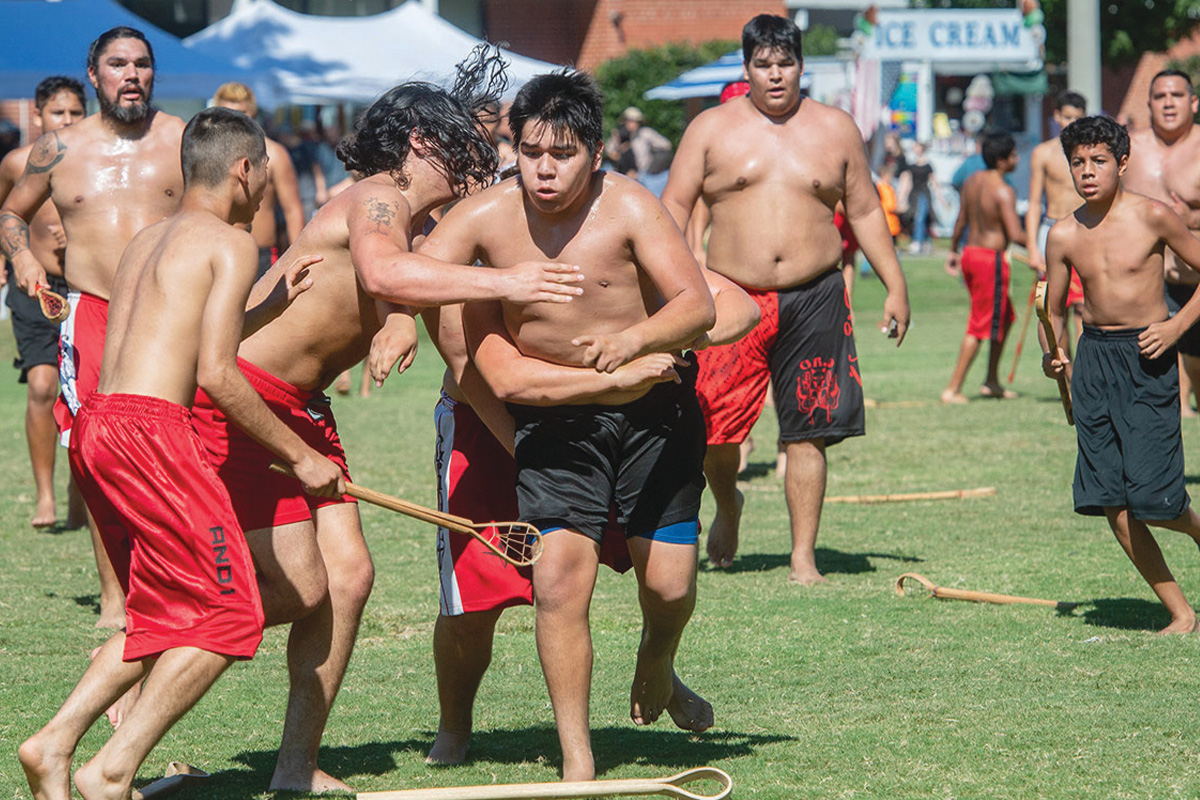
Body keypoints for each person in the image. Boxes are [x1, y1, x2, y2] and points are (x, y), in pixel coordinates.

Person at [188, 47, 585, 793]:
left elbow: (405, 285)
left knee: (348, 579)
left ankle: (295, 767)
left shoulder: (400, 217)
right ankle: (156, 652)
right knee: (280, 591)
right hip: (244, 397)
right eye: (464, 144)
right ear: (420, 143)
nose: (478, 159)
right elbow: (381, 267)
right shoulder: (379, 199)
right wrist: (502, 279)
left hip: (302, 406)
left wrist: (401, 317)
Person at [17, 105, 344, 800]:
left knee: (166, 612)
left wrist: (269, 309)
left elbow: (179, 340)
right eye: (262, 178)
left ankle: (53, 744)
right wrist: (303, 457)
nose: (261, 196)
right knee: (230, 615)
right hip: (153, 436)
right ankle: (110, 770)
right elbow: (217, 375)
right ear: (244, 169)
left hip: (102, 424)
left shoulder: (149, 238)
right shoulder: (231, 243)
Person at [417, 69, 715, 782]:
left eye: (564, 153)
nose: (545, 169)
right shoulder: (489, 216)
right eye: (530, 152)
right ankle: (577, 758)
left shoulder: (632, 207)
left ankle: (658, 661)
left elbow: (697, 306)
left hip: (654, 416)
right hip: (554, 422)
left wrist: (635, 344)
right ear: (512, 148)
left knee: (670, 587)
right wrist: (398, 323)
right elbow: (409, 271)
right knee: (557, 583)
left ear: (597, 151)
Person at [413, 267, 758, 766]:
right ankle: (454, 728)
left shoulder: (608, 229)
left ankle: (661, 668)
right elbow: (470, 363)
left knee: (654, 575)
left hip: (600, 426)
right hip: (491, 426)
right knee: (474, 602)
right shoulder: (471, 243)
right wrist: (524, 448)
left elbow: (733, 302)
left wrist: (670, 336)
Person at [660, 13, 910, 583]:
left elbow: (866, 210)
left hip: (815, 293)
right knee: (717, 432)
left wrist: (894, 284)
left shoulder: (836, 128)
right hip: (731, 296)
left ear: (802, 67)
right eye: (763, 65)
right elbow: (672, 208)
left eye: (786, 64)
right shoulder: (710, 129)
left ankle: (803, 557)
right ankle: (728, 504)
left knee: (807, 429)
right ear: (746, 68)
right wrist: (670, 284)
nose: (776, 76)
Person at [0, 26, 186, 629]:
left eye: (142, 64)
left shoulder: (184, 141)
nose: (131, 75)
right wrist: (23, 257)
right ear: (94, 73)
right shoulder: (59, 149)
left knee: (181, 451)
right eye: (117, 65)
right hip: (92, 312)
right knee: (99, 459)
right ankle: (115, 595)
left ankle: (181, 581)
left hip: (171, 311)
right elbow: (11, 211)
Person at [1043, 114, 1200, 635]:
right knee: (1112, 501)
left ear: (1123, 163)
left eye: (1099, 161)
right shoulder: (1062, 233)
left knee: (1156, 499)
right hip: (1094, 364)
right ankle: (1180, 613)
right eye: (1078, 162)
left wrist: (1176, 326)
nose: (1087, 171)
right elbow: (1056, 310)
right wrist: (1054, 354)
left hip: (1149, 356)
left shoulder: (1155, 216)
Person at [0, 76, 86, 528]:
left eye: (75, 112)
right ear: (37, 116)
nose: (67, 121)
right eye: (58, 113)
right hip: (34, 289)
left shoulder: (96, 162)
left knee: (85, 398)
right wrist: (10, 256)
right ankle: (45, 497)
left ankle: (80, 494)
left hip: (83, 287)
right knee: (40, 387)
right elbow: (5, 212)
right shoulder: (17, 162)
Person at [1123, 70, 1200, 420]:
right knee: (1146, 391)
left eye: (1177, 95)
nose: (1169, 102)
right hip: (1150, 287)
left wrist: (1191, 218)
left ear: (1194, 102)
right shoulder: (1128, 149)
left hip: (1196, 283)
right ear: (1149, 103)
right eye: (1160, 96)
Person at [941, 130, 1027, 404]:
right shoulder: (1003, 190)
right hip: (990, 260)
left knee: (1006, 317)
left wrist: (953, 250)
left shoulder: (971, 182)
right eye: (1013, 154)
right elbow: (1015, 234)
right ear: (1002, 160)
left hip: (970, 254)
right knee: (980, 324)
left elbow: (961, 220)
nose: (1017, 159)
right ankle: (952, 389)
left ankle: (991, 381)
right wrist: (1044, 247)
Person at [212, 82, 306, 276]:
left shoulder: (274, 154)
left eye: (241, 114)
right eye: (228, 114)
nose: (235, 121)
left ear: (252, 113)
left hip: (261, 255)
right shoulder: (209, 156)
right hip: (217, 252)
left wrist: (297, 258)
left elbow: (292, 209)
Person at [1025, 91, 1087, 350]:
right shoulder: (1043, 153)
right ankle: (1069, 378)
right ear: (1056, 116)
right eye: (1066, 117)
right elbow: (1034, 202)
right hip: (1052, 229)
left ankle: (1088, 377)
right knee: (1054, 306)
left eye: (1077, 117)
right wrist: (1030, 246)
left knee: (1085, 308)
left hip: (1085, 229)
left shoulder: (1091, 153)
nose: (1071, 123)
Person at [898, 140, 938, 254]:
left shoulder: (927, 165)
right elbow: (907, 181)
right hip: (914, 193)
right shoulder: (911, 166)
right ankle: (922, 241)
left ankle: (919, 241)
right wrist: (902, 196)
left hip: (924, 193)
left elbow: (933, 181)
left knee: (922, 217)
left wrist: (940, 198)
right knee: (915, 217)